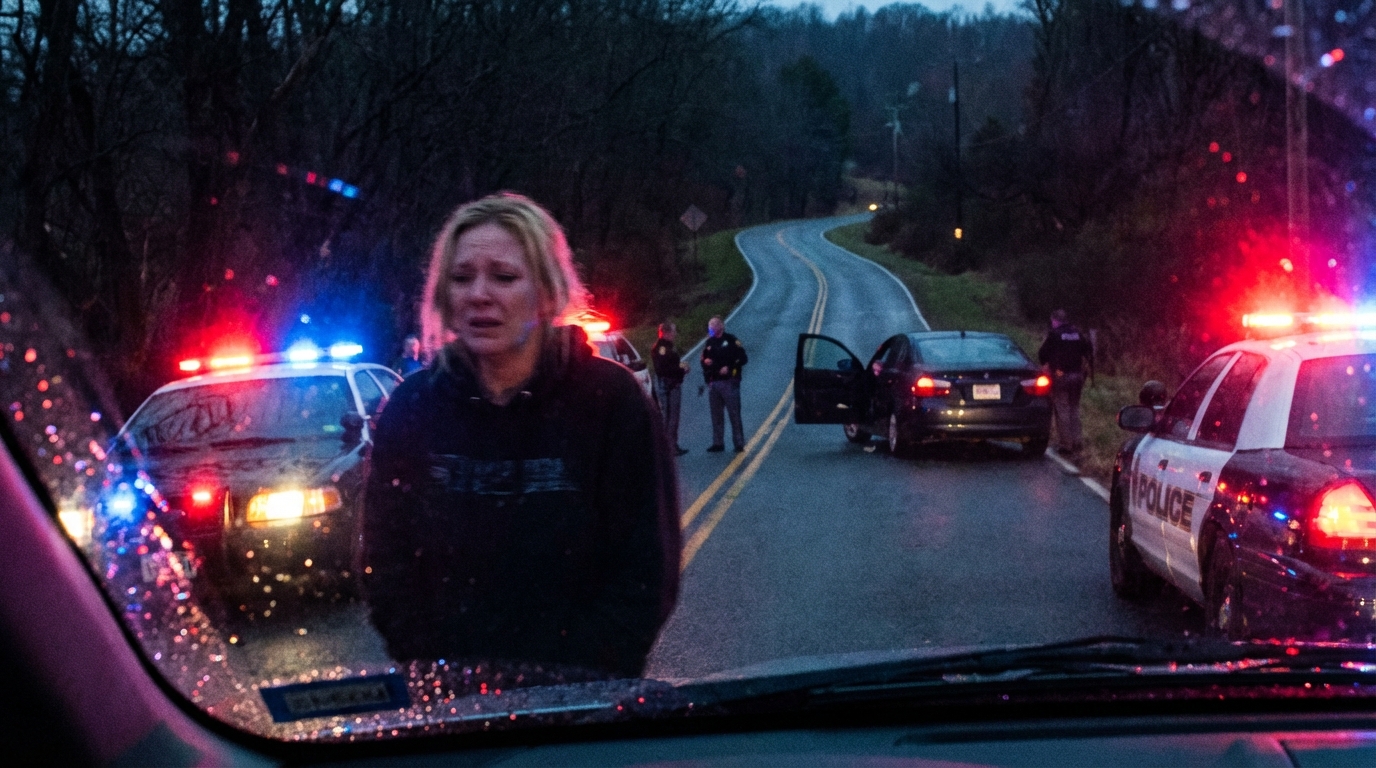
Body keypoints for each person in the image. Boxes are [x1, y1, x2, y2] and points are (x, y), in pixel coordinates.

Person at [362, 192, 680, 679]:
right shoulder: (412, 410)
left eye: (505, 277)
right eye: (462, 277)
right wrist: (439, 669)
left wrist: (571, 679)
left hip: (581, 705)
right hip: (449, 707)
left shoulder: (611, 403)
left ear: (548, 293)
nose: (479, 294)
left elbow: (645, 569)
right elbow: (386, 563)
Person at [1037, 308, 1094, 457]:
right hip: (1078, 376)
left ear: (1055, 320)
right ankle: (1077, 441)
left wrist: (1049, 365)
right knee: (1074, 408)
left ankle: (1066, 445)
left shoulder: (1054, 335)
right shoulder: (1077, 333)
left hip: (1061, 376)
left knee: (1062, 409)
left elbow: (1042, 354)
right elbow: (1088, 350)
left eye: (1052, 321)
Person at [700, 315, 748, 452]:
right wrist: (705, 363)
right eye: (710, 325)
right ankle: (718, 443)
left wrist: (730, 366)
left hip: (729, 382)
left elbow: (743, 358)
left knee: (734, 414)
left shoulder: (732, 340)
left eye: (714, 324)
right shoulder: (709, 343)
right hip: (713, 383)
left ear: (721, 326)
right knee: (716, 415)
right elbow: (703, 361)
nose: (711, 328)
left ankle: (739, 443)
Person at [651, 322, 689, 456]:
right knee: (670, 417)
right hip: (668, 387)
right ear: (666, 333)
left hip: (673, 385)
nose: (675, 334)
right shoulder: (661, 348)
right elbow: (662, 369)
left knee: (673, 417)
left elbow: (671, 363)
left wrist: (682, 366)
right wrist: (680, 369)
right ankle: (668, 447)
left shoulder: (668, 347)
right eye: (673, 331)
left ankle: (672, 444)